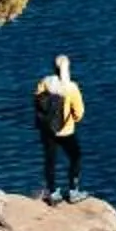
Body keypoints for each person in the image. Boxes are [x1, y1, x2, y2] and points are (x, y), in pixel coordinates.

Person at [32, 53, 85, 203]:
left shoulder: (44, 82)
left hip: (47, 130)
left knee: (50, 161)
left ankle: (53, 193)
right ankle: (73, 191)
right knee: (75, 157)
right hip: (66, 130)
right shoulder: (71, 88)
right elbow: (79, 113)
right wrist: (71, 120)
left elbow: (38, 103)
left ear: (53, 68)